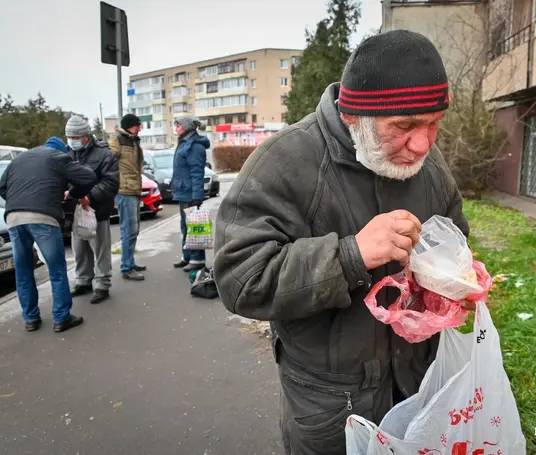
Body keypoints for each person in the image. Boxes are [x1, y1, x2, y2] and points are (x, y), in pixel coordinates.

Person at [213, 30, 469, 455]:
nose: (422, 143)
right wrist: (350, 255)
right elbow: (240, 279)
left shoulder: (429, 163)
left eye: (434, 124)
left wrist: (459, 279)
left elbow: (455, 236)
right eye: (404, 126)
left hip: (420, 386)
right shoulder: (286, 160)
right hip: (333, 403)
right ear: (353, 116)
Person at [0, 137, 96, 333]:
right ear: (62, 150)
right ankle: (61, 318)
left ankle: (31, 319)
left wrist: (20, 201)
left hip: (14, 218)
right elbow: (88, 177)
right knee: (56, 269)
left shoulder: (19, 158)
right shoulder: (59, 157)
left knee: (24, 269)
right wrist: (73, 193)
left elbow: (2, 189)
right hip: (43, 217)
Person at [64, 115, 120, 304]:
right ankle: (83, 280)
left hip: (97, 210)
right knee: (79, 248)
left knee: (100, 249)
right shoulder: (67, 153)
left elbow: (111, 183)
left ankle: (102, 284)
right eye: (69, 137)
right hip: (75, 210)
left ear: (86, 136)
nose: (72, 141)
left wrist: (90, 197)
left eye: (75, 137)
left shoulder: (104, 154)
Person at [108, 113, 146, 281]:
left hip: (134, 189)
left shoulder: (133, 140)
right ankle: (126, 267)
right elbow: (109, 161)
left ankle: (130, 262)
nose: (140, 128)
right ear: (131, 125)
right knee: (128, 230)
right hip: (124, 190)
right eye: (138, 125)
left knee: (134, 230)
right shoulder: (117, 140)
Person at [170, 116, 210, 273]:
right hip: (183, 191)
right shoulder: (185, 142)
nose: (176, 128)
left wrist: (197, 196)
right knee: (185, 226)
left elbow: (197, 173)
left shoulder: (194, 146)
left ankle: (197, 259)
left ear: (186, 127)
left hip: (190, 193)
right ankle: (187, 256)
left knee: (195, 226)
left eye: (178, 125)